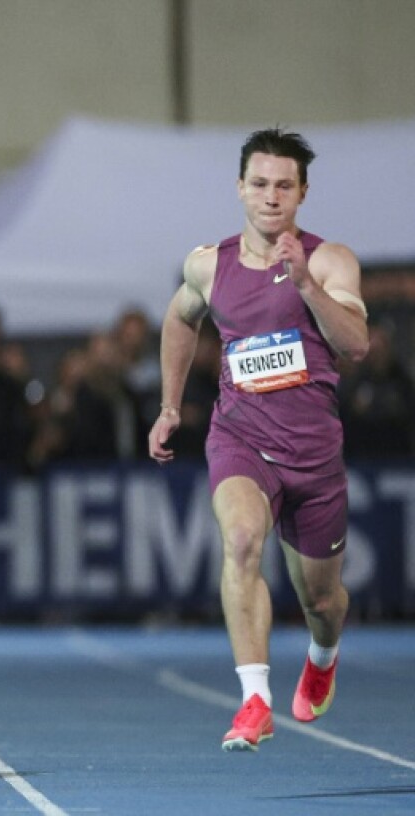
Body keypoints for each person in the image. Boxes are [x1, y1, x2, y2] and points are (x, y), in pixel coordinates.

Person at [148, 128, 369, 752]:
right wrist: (169, 406)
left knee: (321, 599)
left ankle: (322, 656)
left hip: (315, 456)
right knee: (241, 540)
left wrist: (305, 286)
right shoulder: (208, 265)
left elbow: (356, 344)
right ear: (240, 188)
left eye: (284, 186)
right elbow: (179, 318)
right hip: (240, 438)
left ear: (302, 194)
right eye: (260, 184)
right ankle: (253, 700)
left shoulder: (329, 261)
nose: (271, 197)